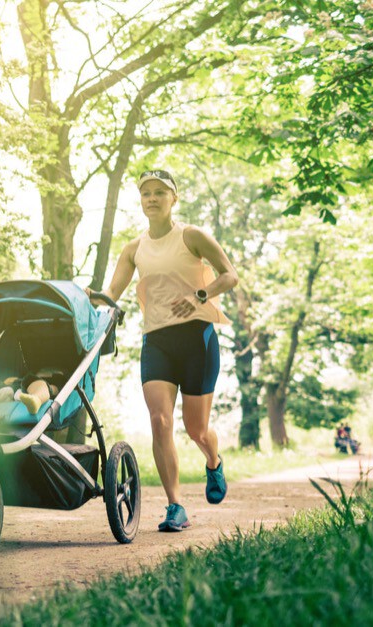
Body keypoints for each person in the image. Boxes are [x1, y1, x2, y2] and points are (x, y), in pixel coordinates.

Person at [88, 169, 239, 532]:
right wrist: (89, 298)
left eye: (159, 193)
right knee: (160, 422)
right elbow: (112, 295)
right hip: (156, 340)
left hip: (197, 338)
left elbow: (230, 275)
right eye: (146, 194)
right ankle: (175, 506)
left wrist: (200, 295)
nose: (152, 199)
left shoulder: (192, 236)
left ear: (174, 198)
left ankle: (213, 461)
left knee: (196, 428)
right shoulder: (134, 249)